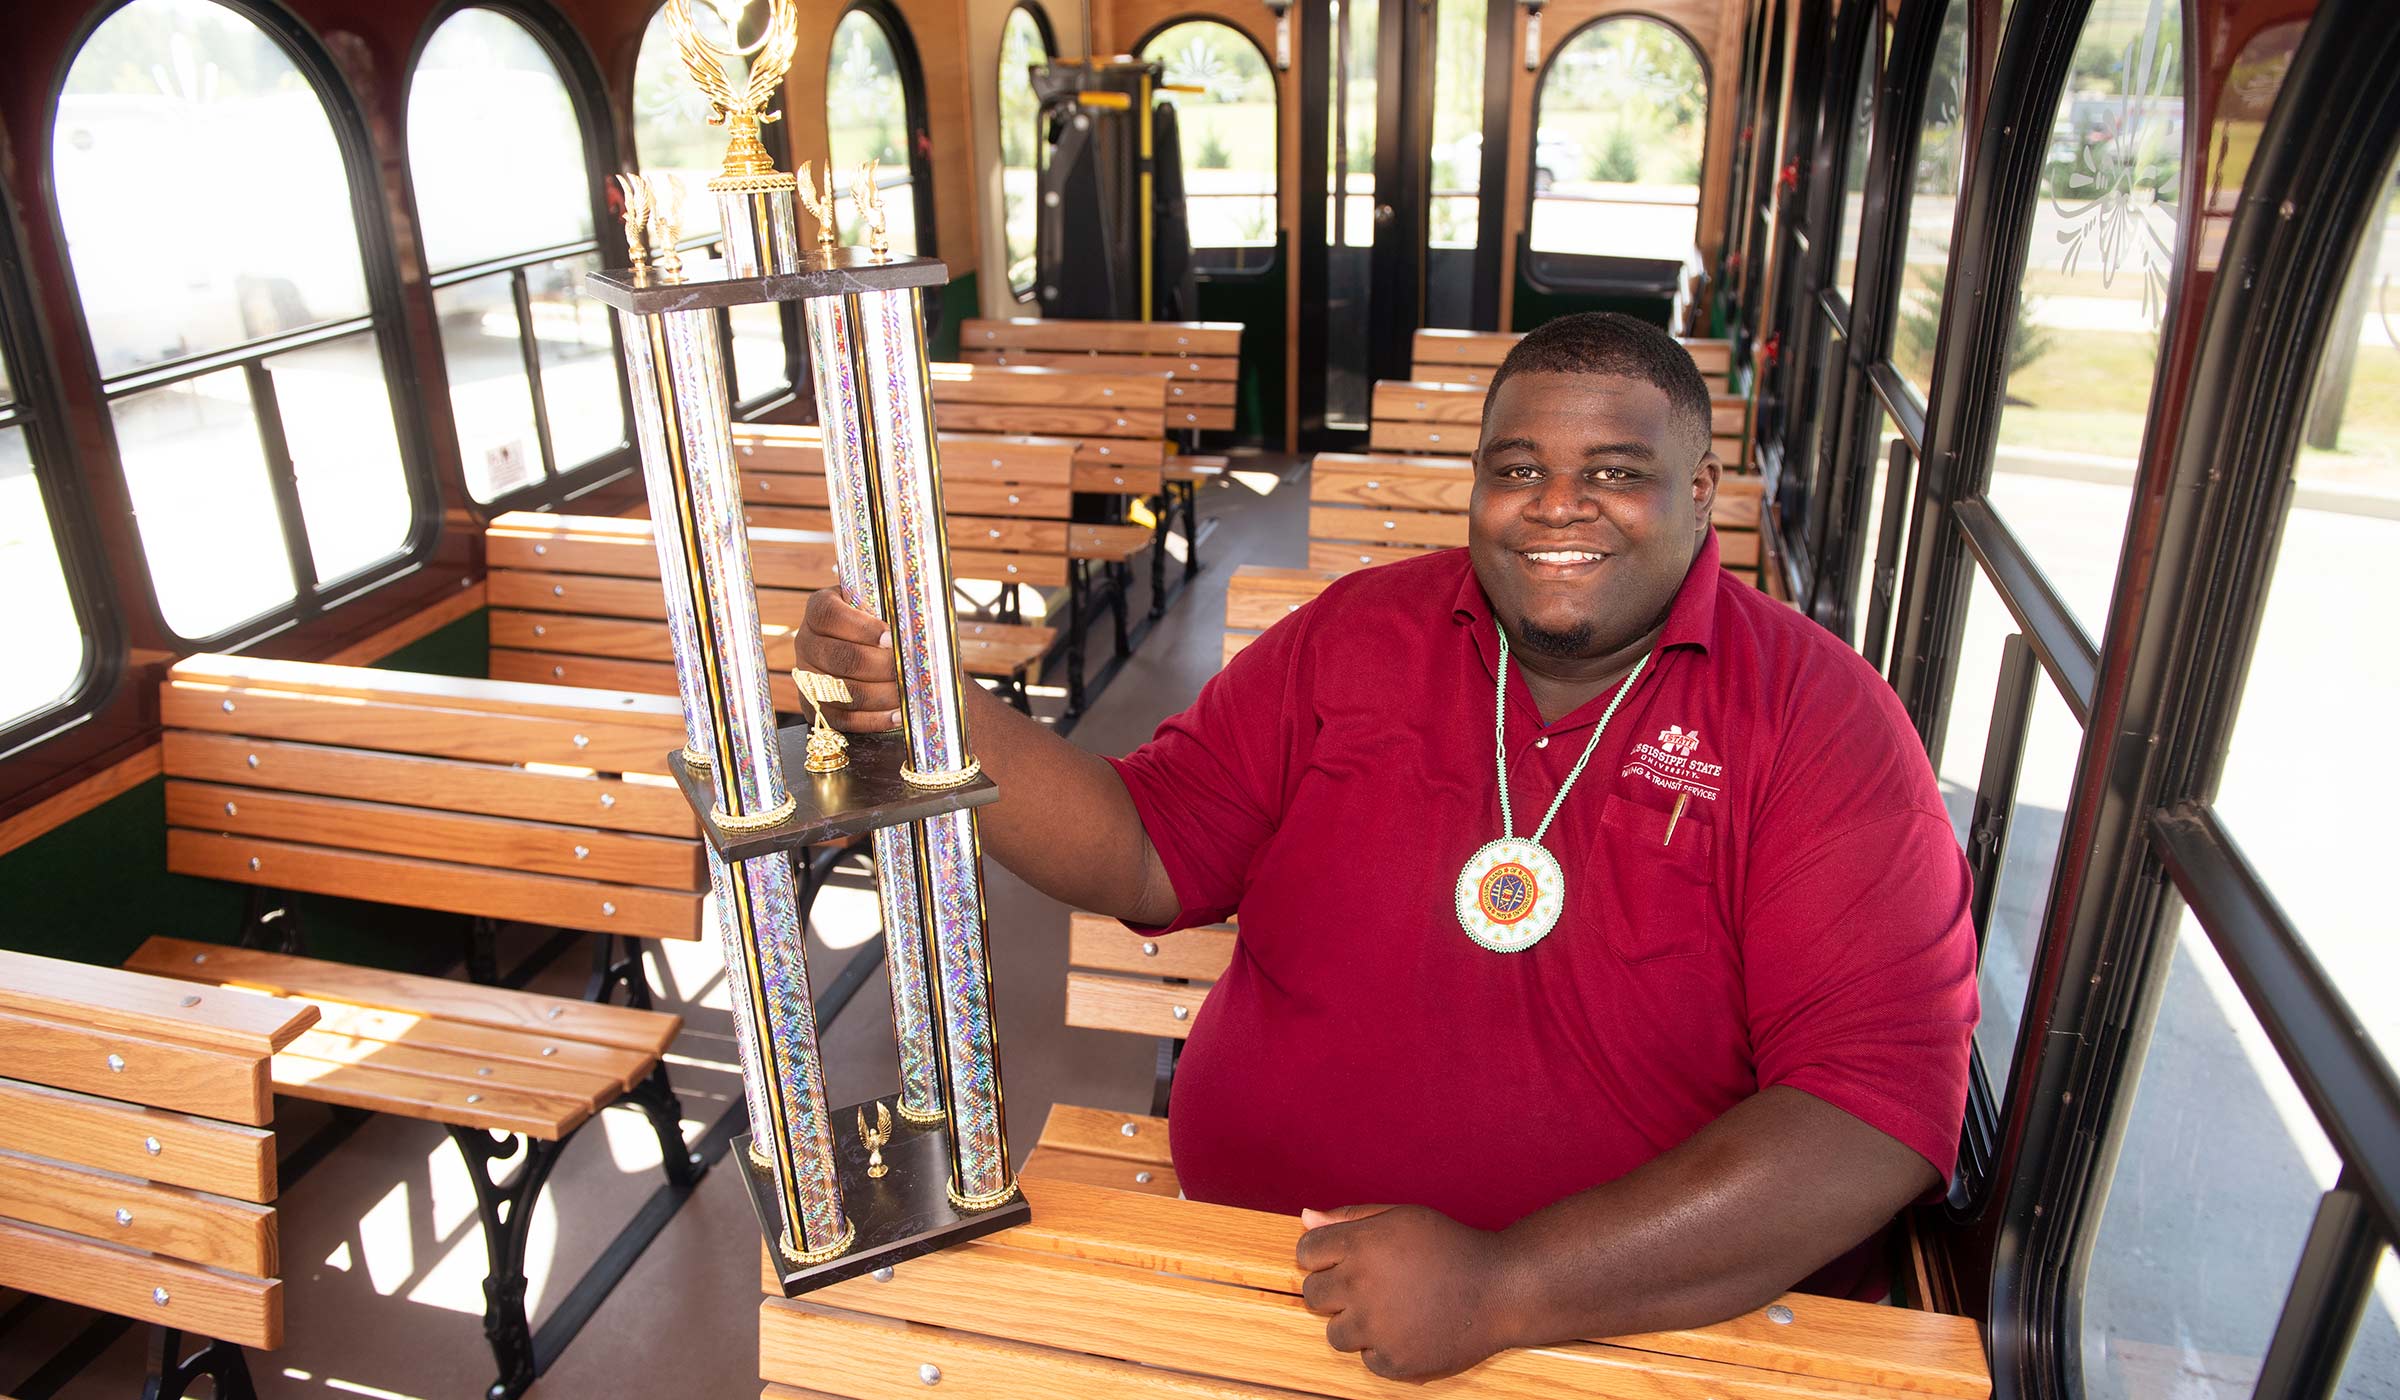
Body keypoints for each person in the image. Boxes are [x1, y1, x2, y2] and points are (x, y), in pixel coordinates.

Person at [798, 312, 1978, 1381]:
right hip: (1258, 1262)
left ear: (1703, 488)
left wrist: (1510, 1281)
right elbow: (1145, 847)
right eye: (1519, 470)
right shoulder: (1357, 639)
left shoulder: (1823, 723)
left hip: (1621, 1323)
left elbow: (1868, 1115)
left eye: (1617, 475)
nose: (1559, 505)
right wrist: (931, 708)